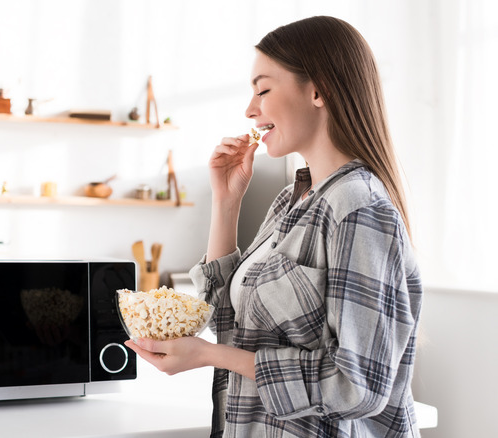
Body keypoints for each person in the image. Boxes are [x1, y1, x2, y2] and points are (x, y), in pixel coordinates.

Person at [124, 16, 423, 438]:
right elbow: (229, 322)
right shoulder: (291, 200)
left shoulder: (358, 207)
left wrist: (213, 356)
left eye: (263, 89)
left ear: (319, 90)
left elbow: (357, 385)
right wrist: (226, 202)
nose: (250, 109)